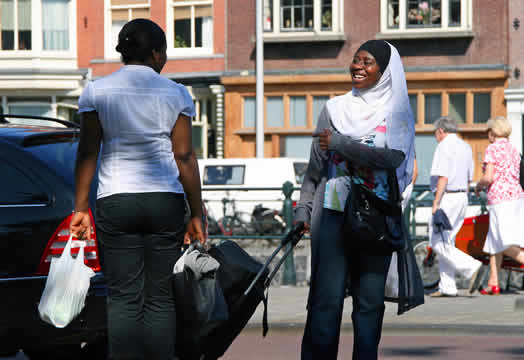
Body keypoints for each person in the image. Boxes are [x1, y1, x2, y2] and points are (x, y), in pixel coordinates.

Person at [69, 19, 204, 360]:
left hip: (116, 198)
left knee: (124, 296)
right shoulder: (176, 93)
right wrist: (197, 212)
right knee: (160, 296)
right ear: (157, 53)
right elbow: (184, 156)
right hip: (164, 200)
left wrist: (81, 208)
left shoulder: (97, 92)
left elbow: (88, 151)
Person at [294, 40, 423, 360]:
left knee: (369, 305)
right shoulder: (334, 109)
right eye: (355, 60)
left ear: (385, 71)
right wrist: (302, 209)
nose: (358, 67)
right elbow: (315, 169)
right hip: (333, 216)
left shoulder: (397, 112)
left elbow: (392, 158)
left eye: (367, 62)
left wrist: (341, 143)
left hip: (376, 219)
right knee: (326, 300)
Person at [428, 116, 482, 298]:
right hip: (461, 196)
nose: (436, 137)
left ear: (441, 131)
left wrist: (436, 201)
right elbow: (469, 177)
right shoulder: (465, 146)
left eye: (436, 133)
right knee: (447, 241)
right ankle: (448, 286)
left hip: (448, 197)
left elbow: (443, 176)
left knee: (436, 241)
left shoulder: (443, 146)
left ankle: (471, 266)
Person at [475, 116, 524, 295]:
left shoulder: (492, 149)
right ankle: (493, 283)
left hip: (500, 199)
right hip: (517, 197)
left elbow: (489, 177)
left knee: (503, 242)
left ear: (493, 132)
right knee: (495, 240)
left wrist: (477, 186)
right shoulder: (513, 149)